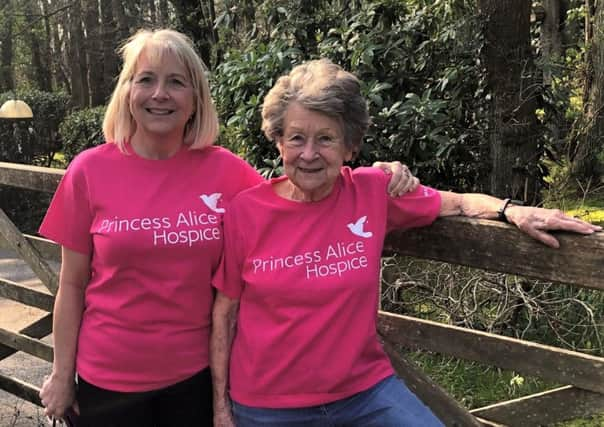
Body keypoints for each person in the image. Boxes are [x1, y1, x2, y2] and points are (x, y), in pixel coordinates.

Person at [38, 30, 415, 427]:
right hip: (108, 380)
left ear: (195, 98)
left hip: (195, 379)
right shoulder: (89, 171)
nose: (160, 94)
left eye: (176, 82)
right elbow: (73, 285)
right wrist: (62, 375)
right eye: (146, 79)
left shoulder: (227, 171)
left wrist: (376, 177)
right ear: (127, 90)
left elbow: (302, 194)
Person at [210, 59, 602, 427]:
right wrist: (221, 408)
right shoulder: (248, 211)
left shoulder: (371, 192)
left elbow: (460, 202)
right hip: (270, 406)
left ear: (350, 147)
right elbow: (225, 313)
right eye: (296, 138)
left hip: (363, 393)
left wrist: (511, 210)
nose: (309, 154)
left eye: (326, 139)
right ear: (278, 142)